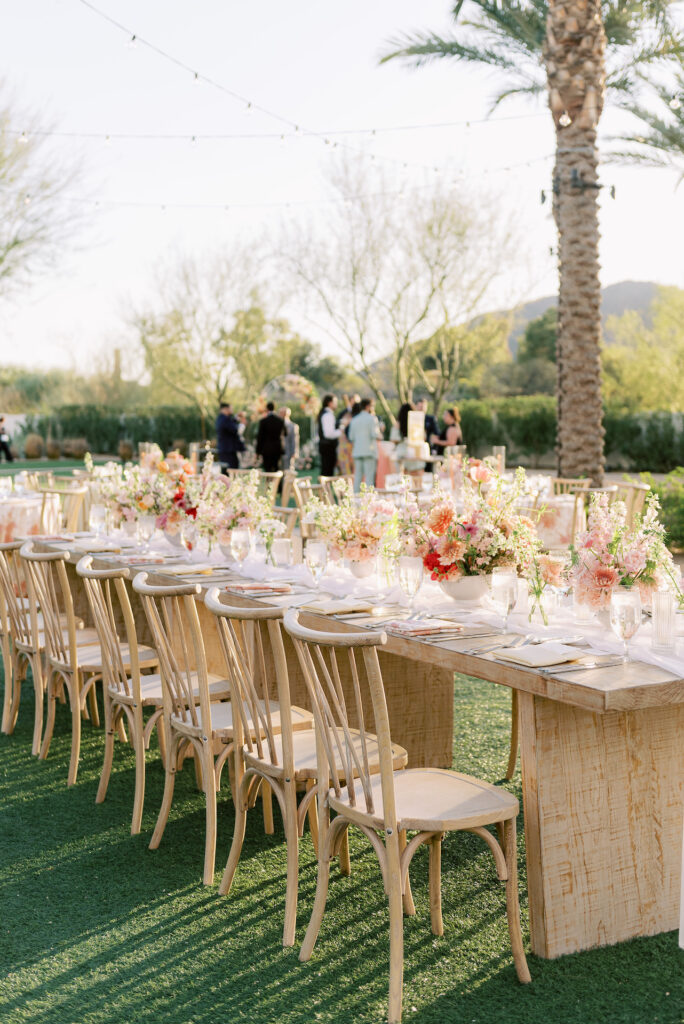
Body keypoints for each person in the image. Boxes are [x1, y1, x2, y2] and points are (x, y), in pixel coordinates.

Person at [347, 398, 382, 491]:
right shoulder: (372, 418)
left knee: (357, 477)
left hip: (357, 451)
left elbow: (351, 437)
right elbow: (375, 434)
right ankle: (368, 500)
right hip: (369, 452)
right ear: (368, 406)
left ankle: (355, 499)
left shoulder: (354, 420)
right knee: (369, 478)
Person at [391, 402, 424, 480]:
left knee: (404, 478)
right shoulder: (416, 423)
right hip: (414, 451)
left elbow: (394, 439)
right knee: (416, 476)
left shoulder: (398, 424)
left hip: (401, 452)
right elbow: (422, 437)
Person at [256, 402, 285, 473]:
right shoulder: (280, 420)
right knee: (277, 468)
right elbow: (285, 433)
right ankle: (278, 483)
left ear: (267, 409)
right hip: (277, 448)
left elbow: (260, 437)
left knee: (267, 469)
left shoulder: (263, 421)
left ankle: (269, 483)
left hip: (266, 449)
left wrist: (257, 451)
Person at [215, 402, 243, 472]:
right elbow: (235, 430)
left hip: (225, 449)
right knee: (231, 470)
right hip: (228, 450)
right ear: (225, 409)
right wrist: (243, 425)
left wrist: (236, 418)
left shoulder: (221, 418)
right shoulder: (225, 419)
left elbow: (230, 423)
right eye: (230, 408)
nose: (232, 410)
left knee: (227, 470)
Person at [318, 394, 341, 477]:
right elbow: (328, 434)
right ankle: (324, 489)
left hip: (326, 446)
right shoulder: (327, 415)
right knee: (327, 471)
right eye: (335, 402)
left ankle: (324, 488)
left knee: (327, 470)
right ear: (330, 403)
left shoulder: (326, 413)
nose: (336, 404)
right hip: (328, 446)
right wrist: (341, 431)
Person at [415, 398, 439, 471]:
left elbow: (436, 433)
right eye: (420, 407)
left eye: (423, 407)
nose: (421, 409)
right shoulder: (413, 418)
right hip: (415, 449)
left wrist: (434, 448)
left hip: (426, 448)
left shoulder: (431, 419)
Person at [278, 406, 299, 472]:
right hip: (278, 453)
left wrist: (294, 452)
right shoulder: (276, 424)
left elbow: (294, 440)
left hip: (288, 452)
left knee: (289, 472)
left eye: (281, 413)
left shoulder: (293, 426)